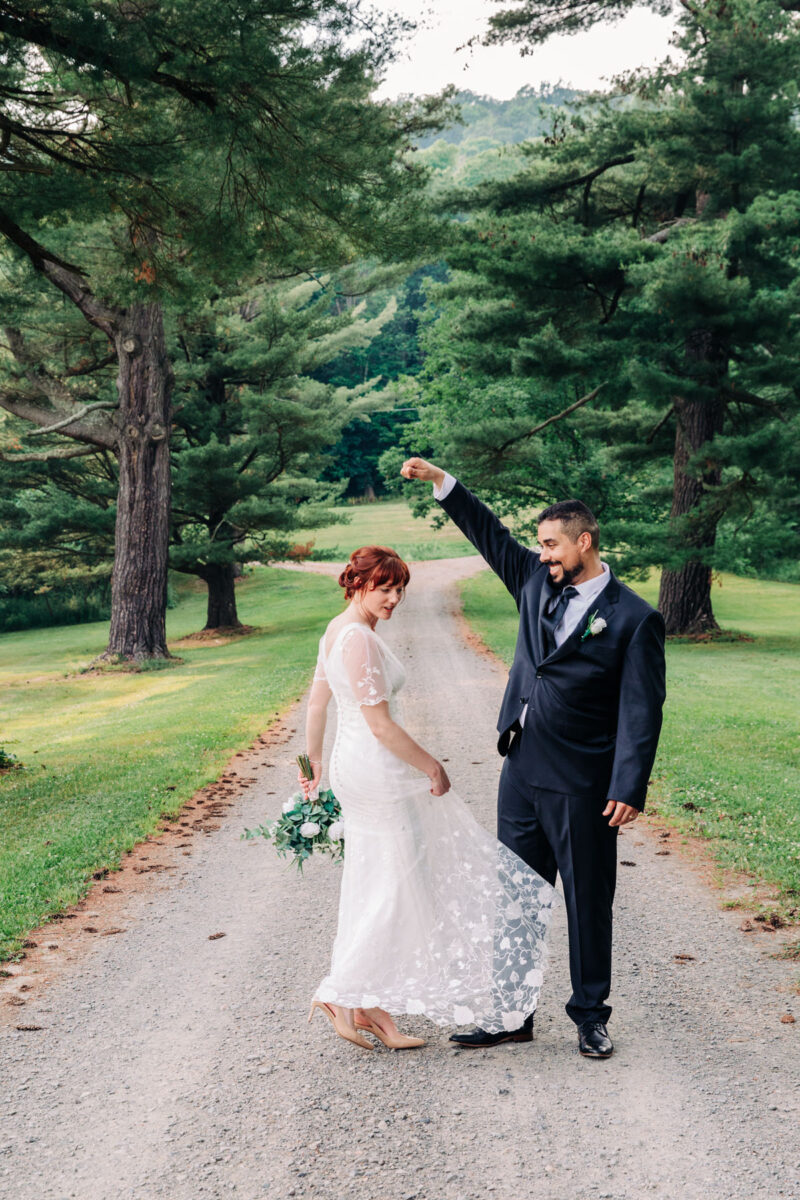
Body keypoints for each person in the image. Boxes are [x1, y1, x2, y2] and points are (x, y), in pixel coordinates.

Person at [400, 459, 667, 1059]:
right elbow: (489, 534)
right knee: (517, 895)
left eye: (552, 544)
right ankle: (511, 1015)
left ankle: (590, 1017)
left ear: (584, 542)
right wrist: (443, 482)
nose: (542, 554)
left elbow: (641, 712)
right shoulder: (534, 579)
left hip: (583, 781)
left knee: (587, 902)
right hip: (521, 769)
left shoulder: (634, 619)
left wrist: (628, 785)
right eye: (540, 545)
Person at [302, 545, 559, 1051]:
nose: (394, 599)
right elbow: (380, 725)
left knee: (378, 877)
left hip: (354, 764)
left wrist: (312, 764)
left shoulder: (337, 629)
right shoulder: (358, 639)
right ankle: (340, 990)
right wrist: (432, 765)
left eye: (399, 589)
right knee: (396, 883)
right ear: (357, 584)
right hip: (376, 768)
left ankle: (368, 1003)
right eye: (384, 588)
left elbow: (317, 704)